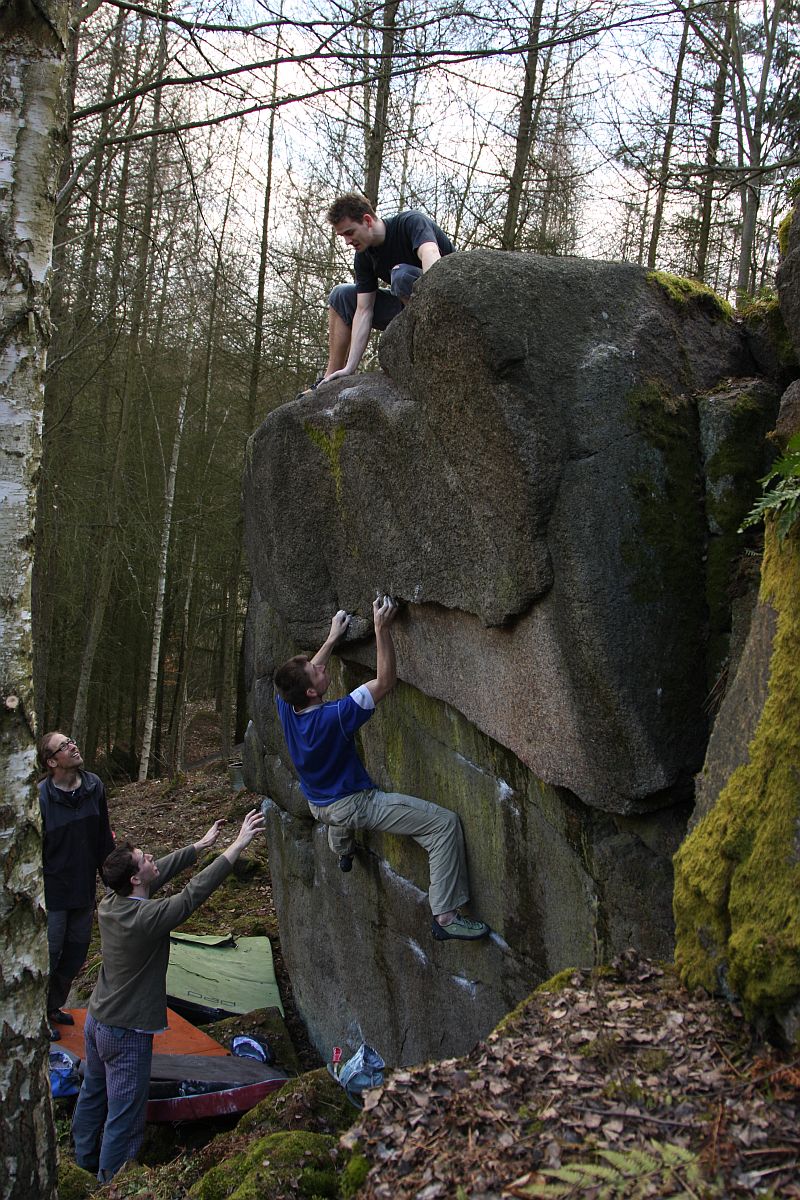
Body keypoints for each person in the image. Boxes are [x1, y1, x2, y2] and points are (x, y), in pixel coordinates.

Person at [273, 597, 488, 943]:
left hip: (318, 802)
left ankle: (343, 851)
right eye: (318, 672)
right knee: (443, 825)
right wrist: (381, 629)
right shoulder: (335, 718)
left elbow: (305, 674)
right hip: (354, 803)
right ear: (312, 691)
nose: (322, 667)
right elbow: (385, 681)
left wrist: (331, 639)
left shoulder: (287, 704)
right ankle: (445, 916)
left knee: (334, 818)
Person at [71, 808, 265, 1182]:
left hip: (97, 1022)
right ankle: (111, 1182)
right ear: (134, 877)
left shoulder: (112, 903)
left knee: (93, 1095)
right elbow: (192, 896)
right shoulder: (146, 920)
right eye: (145, 859)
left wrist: (199, 846)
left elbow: (154, 879)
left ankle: (81, 1161)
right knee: (125, 1118)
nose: (150, 858)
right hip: (126, 1033)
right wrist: (236, 846)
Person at [318, 192, 455, 384]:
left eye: (349, 233)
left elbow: (431, 254)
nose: (347, 242)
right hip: (405, 308)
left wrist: (433, 310)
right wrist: (350, 367)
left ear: (367, 220)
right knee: (341, 294)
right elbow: (364, 310)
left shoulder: (411, 221)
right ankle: (330, 378)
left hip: (443, 301)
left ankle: (425, 338)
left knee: (400, 275)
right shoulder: (364, 255)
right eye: (342, 236)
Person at [38, 731, 115, 1040]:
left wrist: (113, 880)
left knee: (75, 952)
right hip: (51, 894)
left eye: (71, 741)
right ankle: (35, 1017)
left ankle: (54, 1006)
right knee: (49, 955)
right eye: (64, 746)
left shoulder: (94, 786)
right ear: (52, 761)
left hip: (83, 890)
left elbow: (102, 837)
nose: (73, 746)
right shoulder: (41, 797)